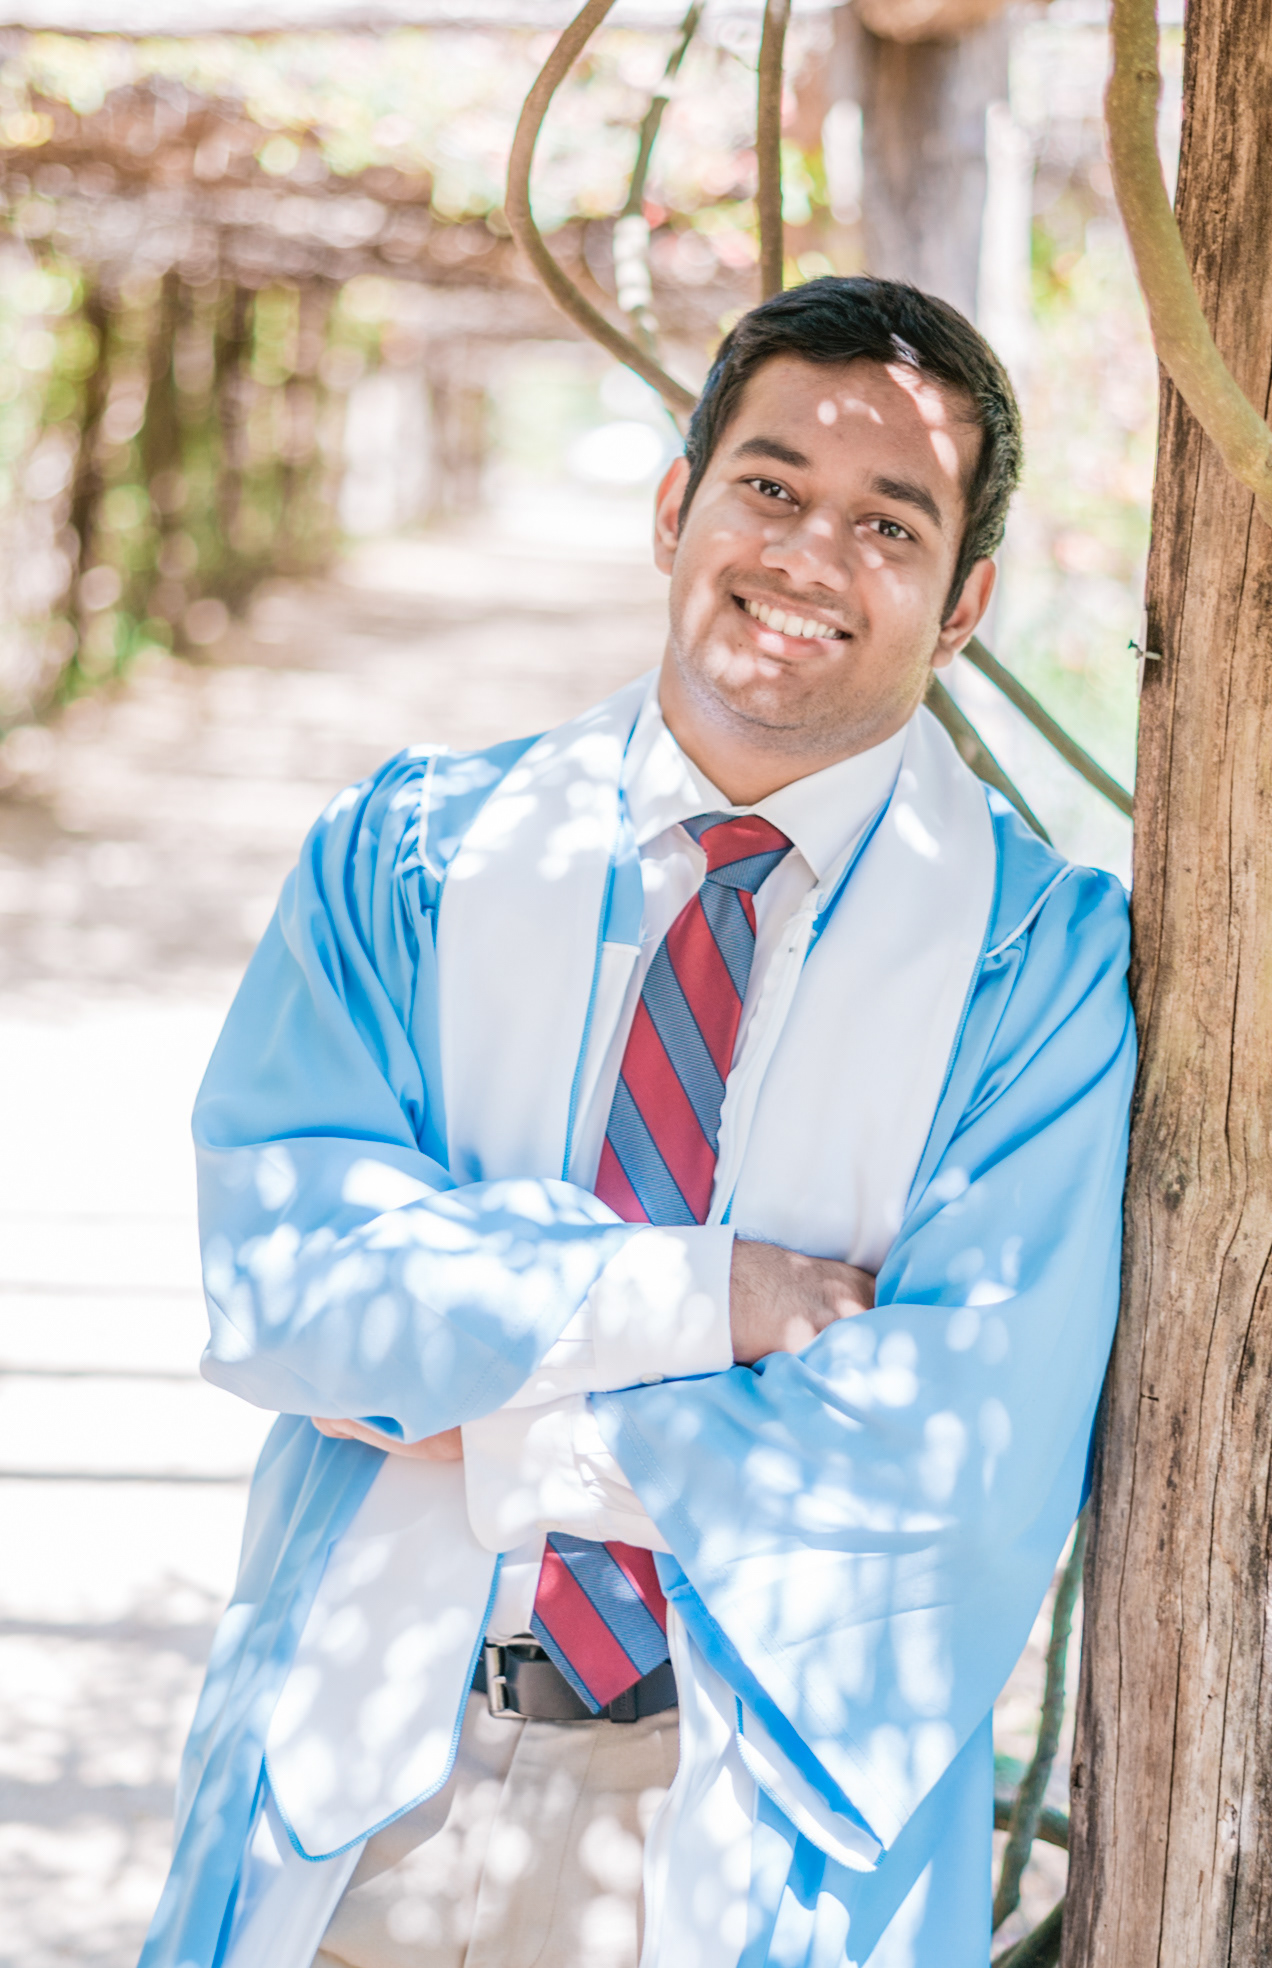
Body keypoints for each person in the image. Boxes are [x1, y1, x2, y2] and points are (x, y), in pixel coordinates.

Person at [139, 277, 1134, 1968]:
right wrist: (706, 1296)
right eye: (770, 487)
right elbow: (292, 1284)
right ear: (677, 508)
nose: (809, 557)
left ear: (965, 602)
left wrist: (496, 1430)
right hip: (369, 1774)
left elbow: (950, 1469)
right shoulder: (412, 858)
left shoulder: (1035, 970)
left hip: (747, 1828)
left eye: (888, 524)